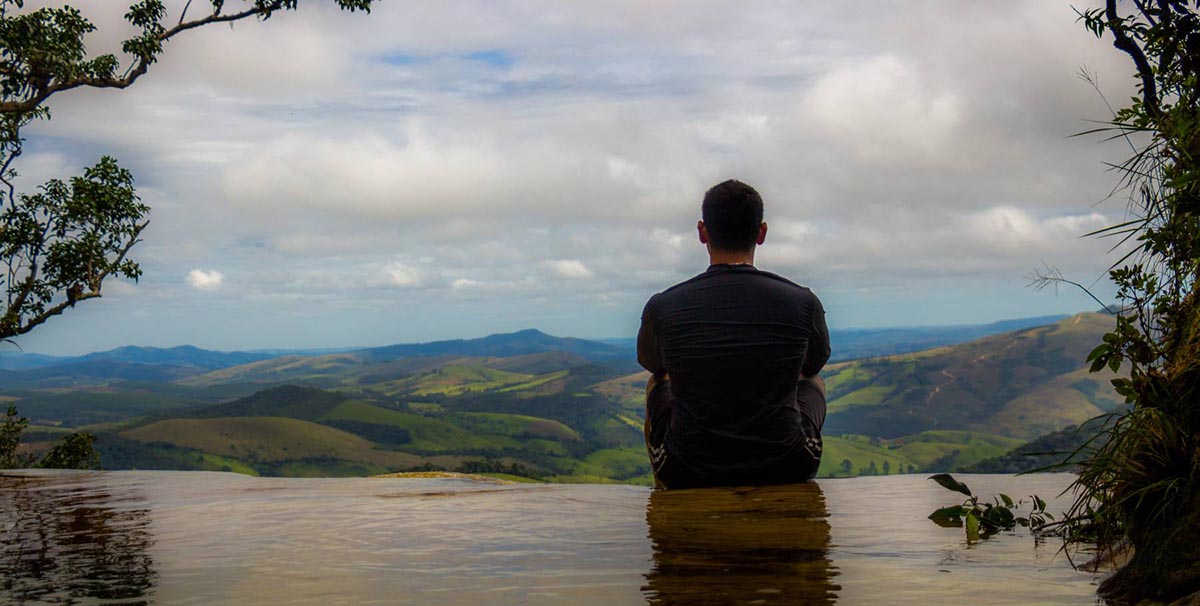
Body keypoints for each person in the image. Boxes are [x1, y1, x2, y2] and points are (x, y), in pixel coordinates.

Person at [637, 179, 830, 489]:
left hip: (686, 468)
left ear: (702, 232)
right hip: (789, 464)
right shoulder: (803, 301)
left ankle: (665, 488)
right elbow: (813, 367)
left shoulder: (663, 304)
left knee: (656, 384)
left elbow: (653, 365)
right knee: (813, 382)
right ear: (761, 232)